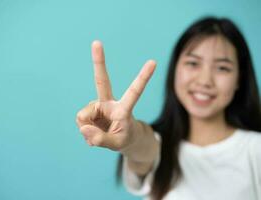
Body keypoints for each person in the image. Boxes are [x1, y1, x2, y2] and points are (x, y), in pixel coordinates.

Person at [76, 16, 261, 200]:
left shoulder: (255, 149)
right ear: (175, 70)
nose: (205, 81)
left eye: (222, 68)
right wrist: (130, 136)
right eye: (193, 63)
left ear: (239, 79)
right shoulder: (157, 146)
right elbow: (142, 146)